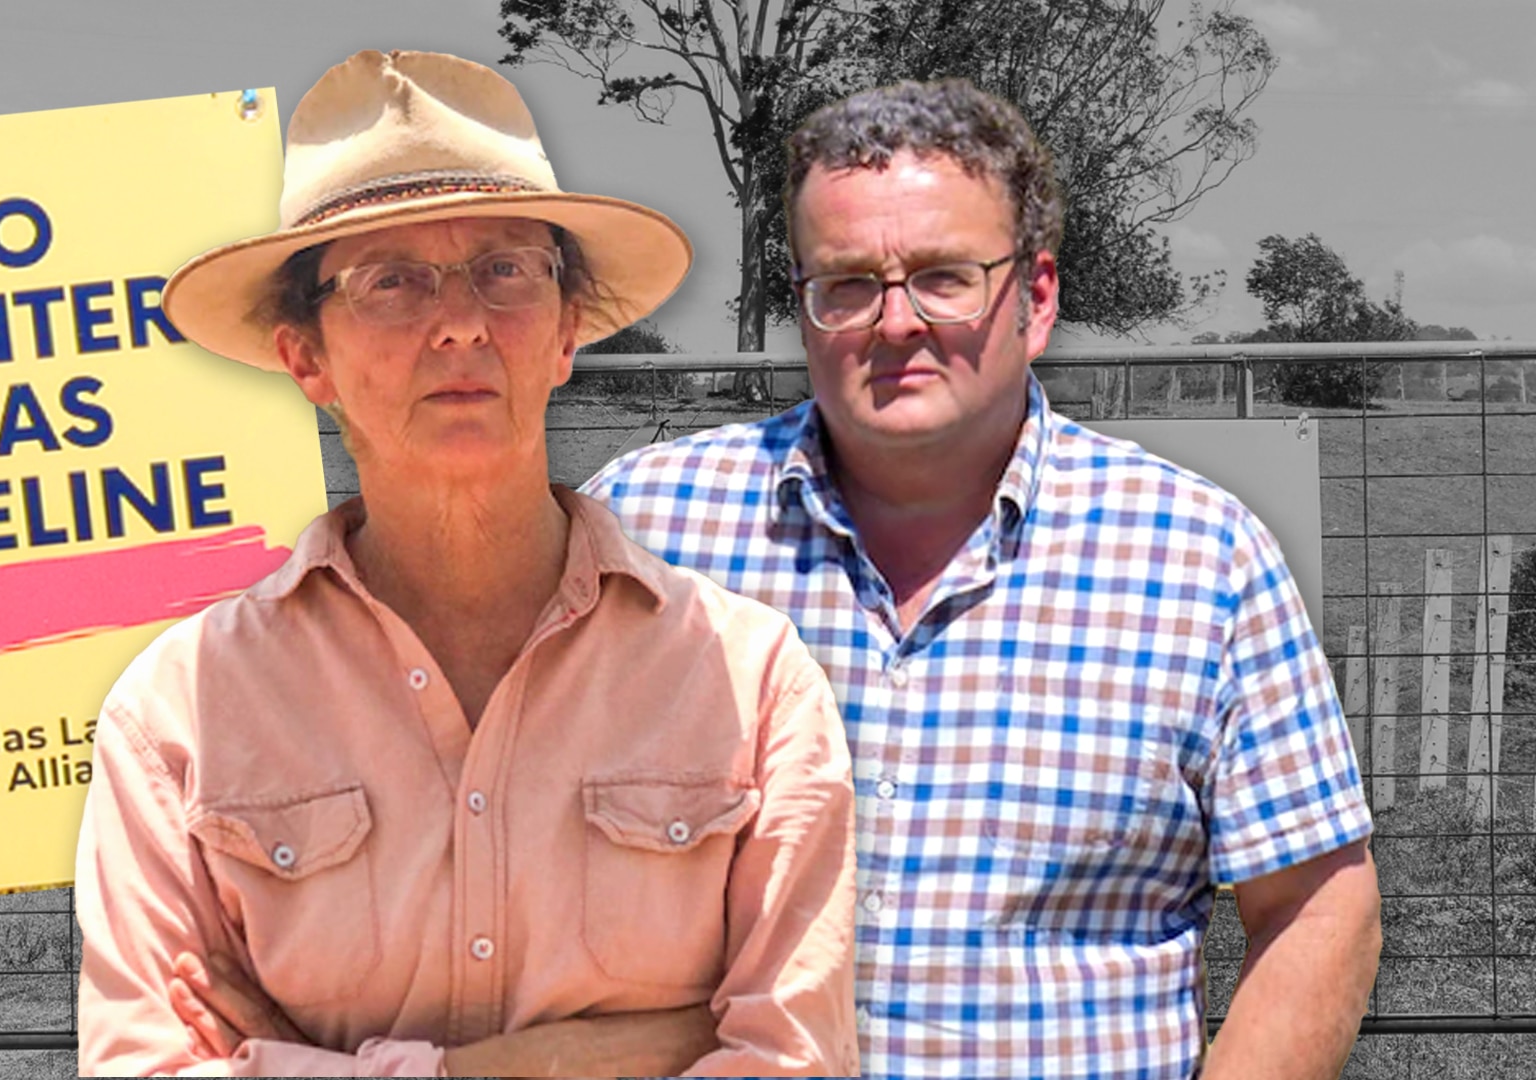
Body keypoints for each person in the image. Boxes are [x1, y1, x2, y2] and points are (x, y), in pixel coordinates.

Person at [73, 49, 858, 1077]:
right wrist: (561, 1061)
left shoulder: (749, 684)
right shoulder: (180, 716)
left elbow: (791, 1062)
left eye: (503, 270)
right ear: (307, 357)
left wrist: (302, 1064)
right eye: (392, 281)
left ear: (566, 328)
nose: (458, 322)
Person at [583, 79, 1382, 1079]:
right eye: (847, 284)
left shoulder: (1197, 557)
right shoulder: (647, 529)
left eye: (945, 277)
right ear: (801, 302)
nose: (895, 322)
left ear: (1035, 298)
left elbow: (1318, 902)